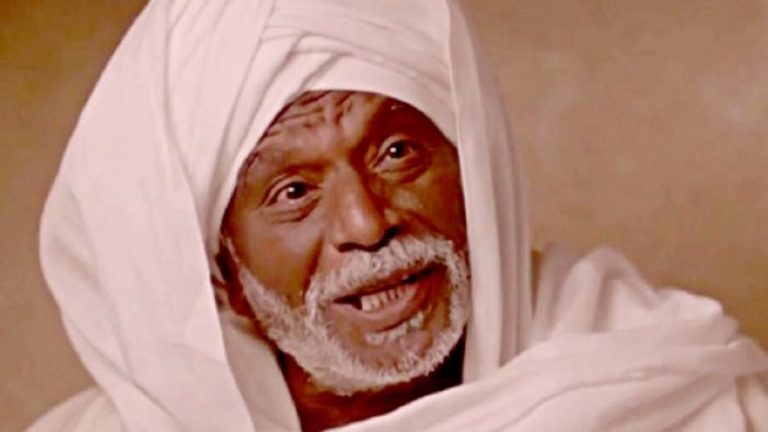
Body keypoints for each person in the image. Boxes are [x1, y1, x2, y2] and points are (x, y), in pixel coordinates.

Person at [31, 0, 768, 431]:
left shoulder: (669, 388)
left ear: (475, 171)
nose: (365, 224)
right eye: (293, 192)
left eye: (395, 153)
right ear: (218, 268)